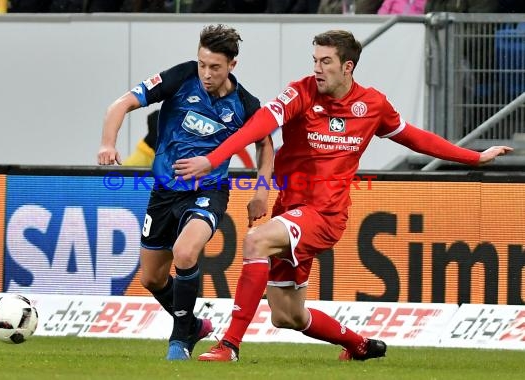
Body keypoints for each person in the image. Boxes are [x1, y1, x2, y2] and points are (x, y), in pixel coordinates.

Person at [173, 29, 513, 362]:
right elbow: (258, 126)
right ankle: (359, 344)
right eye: (315, 60)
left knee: (256, 241)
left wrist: (474, 157)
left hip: (325, 215)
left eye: (326, 61)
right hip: (290, 209)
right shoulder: (301, 93)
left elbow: (414, 137)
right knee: (287, 315)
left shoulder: (373, 105)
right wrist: (215, 158)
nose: (317, 69)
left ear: (347, 67)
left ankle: (229, 345)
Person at [97, 24, 274, 360]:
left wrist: (261, 192)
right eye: (202, 64)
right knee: (151, 277)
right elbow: (119, 105)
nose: (206, 74)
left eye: (215, 67)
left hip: (209, 190)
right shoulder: (180, 78)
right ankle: (192, 324)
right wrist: (108, 143)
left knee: (185, 252)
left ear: (232, 65)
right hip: (164, 191)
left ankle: (179, 341)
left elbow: (266, 147)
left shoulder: (246, 104)